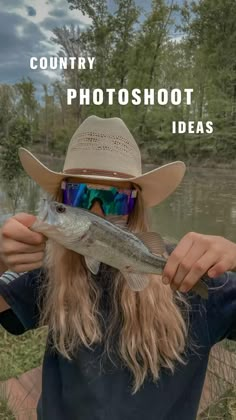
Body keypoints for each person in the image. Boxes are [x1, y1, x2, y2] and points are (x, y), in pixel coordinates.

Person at [0, 116, 236, 420]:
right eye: (80, 195)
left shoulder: (188, 274)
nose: (97, 210)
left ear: (135, 204)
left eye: (114, 199)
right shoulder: (49, 273)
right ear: (62, 196)